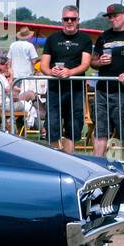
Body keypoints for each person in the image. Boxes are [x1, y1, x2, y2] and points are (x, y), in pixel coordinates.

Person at [91, 3, 124, 170]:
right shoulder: (104, 36)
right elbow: (93, 62)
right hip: (103, 88)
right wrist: (99, 62)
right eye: (110, 17)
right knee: (101, 129)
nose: (113, 19)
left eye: (115, 15)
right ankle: (96, 167)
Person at [39, 12, 92, 154]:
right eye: (66, 19)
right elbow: (43, 64)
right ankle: (56, 158)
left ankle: (69, 158)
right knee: (52, 123)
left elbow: (85, 64)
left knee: (74, 124)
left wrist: (70, 72)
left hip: (75, 89)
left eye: (73, 19)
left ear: (78, 20)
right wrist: (52, 72)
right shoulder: (52, 38)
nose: (69, 21)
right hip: (55, 89)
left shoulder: (85, 39)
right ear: (61, 20)